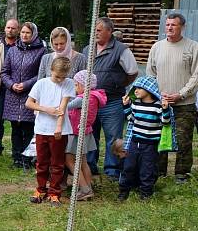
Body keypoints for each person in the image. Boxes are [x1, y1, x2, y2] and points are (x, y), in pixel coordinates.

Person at [146, 12, 198, 184]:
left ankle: (182, 174)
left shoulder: (193, 47)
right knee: (159, 137)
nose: (170, 27)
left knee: (183, 140)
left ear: (182, 27)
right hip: (160, 103)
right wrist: (157, 94)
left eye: (174, 25)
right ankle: (158, 171)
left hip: (184, 104)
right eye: (168, 25)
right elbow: (151, 74)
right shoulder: (157, 47)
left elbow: (197, 76)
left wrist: (181, 94)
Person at [85, 17, 138, 180]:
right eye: (95, 30)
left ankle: (112, 170)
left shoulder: (121, 49)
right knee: (89, 135)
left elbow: (132, 72)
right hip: (91, 101)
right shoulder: (87, 49)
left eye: (99, 30)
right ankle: (90, 166)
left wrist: (117, 83)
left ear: (109, 31)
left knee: (113, 137)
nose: (96, 33)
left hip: (112, 101)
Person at [25, 57, 75, 206]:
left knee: (57, 163)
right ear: (51, 70)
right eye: (57, 76)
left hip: (59, 131)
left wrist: (58, 127)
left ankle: (54, 192)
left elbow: (63, 107)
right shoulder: (41, 83)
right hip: (42, 128)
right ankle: (40, 189)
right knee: (41, 162)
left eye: (63, 77)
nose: (60, 80)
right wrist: (46, 109)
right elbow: (29, 103)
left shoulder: (69, 83)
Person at [118, 76, 172, 200]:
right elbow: (131, 118)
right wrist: (126, 106)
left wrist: (165, 109)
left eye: (139, 88)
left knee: (147, 169)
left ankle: (146, 193)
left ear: (149, 90)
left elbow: (165, 122)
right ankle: (124, 191)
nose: (135, 91)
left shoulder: (158, 106)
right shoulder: (136, 104)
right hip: (134, 142)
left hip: (150, 145)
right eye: (135, 88)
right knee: (128, 167)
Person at [1, 21, 47, 168]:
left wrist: (26, 84)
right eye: (22, 32)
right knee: (15, 128)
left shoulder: (41, 51)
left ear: (33, 34)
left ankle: (28, 159)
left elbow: (41, 74)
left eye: (28, 32)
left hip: (30, 94)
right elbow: (4, 72)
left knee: (28, 128)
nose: (25, 35)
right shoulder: (13, 50)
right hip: (13, 95)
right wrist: (11, 84)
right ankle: (16, 159)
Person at [65, 71, 106, 201]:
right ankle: (88, 187)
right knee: (83, 161)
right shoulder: (94, 96)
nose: (75, 88)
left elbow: (67, 106)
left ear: (83, 85)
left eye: (76, 85)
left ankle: (84, 189)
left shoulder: (83, 98)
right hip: (86, 131)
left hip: (77, 132)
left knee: (69, 160)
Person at [0, 19, 20, 155]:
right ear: (4, 29)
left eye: (13, 28)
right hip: (0, 88)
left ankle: (17, 149)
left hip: (17, 89)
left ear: (17, 30)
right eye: (8, 27)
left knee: (16, 121)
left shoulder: (21, 46)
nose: (10, 30)